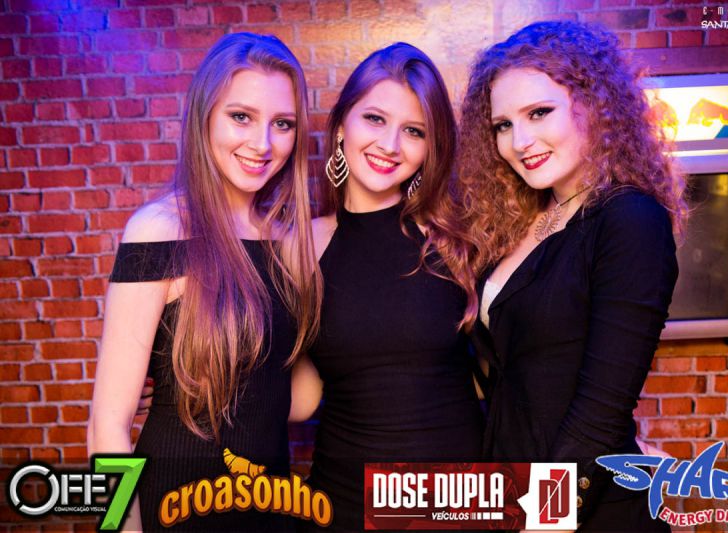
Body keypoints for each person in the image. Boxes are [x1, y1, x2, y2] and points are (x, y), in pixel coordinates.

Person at [458, 21, 686, 531]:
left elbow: (600, 416)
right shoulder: (525, 220)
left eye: (539, 113)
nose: (520, 141)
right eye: (502, 125)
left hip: (583, 508)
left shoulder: (629, 219)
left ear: (594, 106)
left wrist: (545, 518)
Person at [88, 33, 321, 531]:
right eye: (241, 117)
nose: (262, 144)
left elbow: (297, 401)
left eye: (282, 124)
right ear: (204, 117)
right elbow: (108, 423)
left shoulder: (287, 241)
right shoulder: (159, 230)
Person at [289, 43, 484, 531]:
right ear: (341, 126)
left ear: (430, 148)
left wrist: (611, 445)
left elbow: (518, 371)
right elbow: (305, 395)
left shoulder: (457, 240)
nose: (390, 145)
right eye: (374, 119)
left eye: (414, 131)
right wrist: (191, 387)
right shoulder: (299, 246)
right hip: (344, 503)